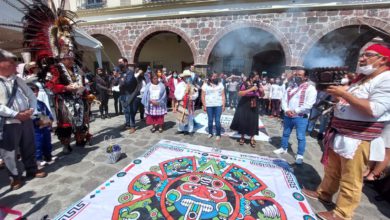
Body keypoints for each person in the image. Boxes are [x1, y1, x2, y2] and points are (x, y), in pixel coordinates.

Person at [302, 44, 390, 220]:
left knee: (351, 178)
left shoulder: (386, 79)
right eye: (362, 54)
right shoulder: (362, 79)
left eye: (369, 55)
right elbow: (347, 101)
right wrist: (337, 95)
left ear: (383, 59)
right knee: (332, 169)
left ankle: (342, 213)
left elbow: (375, 109)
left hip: (358, 137)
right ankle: (324, 193)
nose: (362, 58)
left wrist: (344, 93)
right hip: (341, 132)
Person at [0, 49, 46, 190]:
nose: (15, 65)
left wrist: (31, 110)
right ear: (1, 63)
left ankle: (31, 169)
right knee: (9, 152)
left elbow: (31, 95)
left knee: (28, 145)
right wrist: (15, 114)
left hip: (26, 118)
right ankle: (14, 177)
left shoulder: (17, 79)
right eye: (12, 62)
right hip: (8, 122)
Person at [46, 53, 92, 152]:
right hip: (64, 100)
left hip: (79, 98)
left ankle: (79, 139)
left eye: (72, 59)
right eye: (69, 59)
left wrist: (86, 94)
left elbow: (83, 83)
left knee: (81, 121)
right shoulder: (56, 69)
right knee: (66, 124)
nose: (72, 61)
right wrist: (65, 88)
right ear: (63, 59)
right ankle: (66, 145)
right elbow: (51, 86)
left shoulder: (76, 68)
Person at [273, 68, 317, 164]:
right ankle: (283, 148)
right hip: (288, 115)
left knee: (300, 136)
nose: (296, 76)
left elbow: (309, 104)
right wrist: (287, 109)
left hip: (301, 117)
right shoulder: (291, 87)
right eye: (295, 74)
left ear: (306, 77)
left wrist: (295, 111)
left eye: (299, 75)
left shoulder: (310, 88)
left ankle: (300, 155)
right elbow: (284, 99)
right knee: (285, 133)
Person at [230, 72, 264, 148]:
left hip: (254, 102)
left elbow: (262, 95)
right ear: (252, 77)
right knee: (243, 120)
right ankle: (242, 136)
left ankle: (252, 137)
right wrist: (251, 89)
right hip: (245, 103)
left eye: (258, 77)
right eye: (256, 77)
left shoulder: (258, 84)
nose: (257, 79)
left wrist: (262, 91)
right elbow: (240, 93)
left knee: (253, 120)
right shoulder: (245, 83)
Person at [29, 83, 55, 167]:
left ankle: (48, 156)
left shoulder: (41, 103)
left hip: (45, 125)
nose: (34, 93)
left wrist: (51, 119)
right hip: (36, 128)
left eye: (35, 91)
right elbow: (29, 117)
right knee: (38, 144)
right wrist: (36, 122)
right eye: (32, 91)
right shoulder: (27, 105)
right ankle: (38, 159)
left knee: (47, 141)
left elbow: (47, 112)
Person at [201, 72, 226, 140]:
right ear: (210, 77)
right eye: (213, 76)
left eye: (215, 76)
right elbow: (203, 96)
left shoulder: (220, 84)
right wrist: (204, 105)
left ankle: (218, 134)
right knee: (210, 120)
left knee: (217, 120)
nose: (214, 77)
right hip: (209, 105)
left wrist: (223, 105)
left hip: (218, 105)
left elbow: (223, 95)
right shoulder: (205, 84)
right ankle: (210, 133)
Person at [175, 70, 199, 135]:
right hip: (182, 103)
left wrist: (191, 97)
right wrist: (182, 96)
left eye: (188, 76)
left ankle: (190, 130)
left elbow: (196, 93)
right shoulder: (179, 85)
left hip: (190, 104)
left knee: (190, 117)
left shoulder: (193, 85)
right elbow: (176, 93)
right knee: (181, 116)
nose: (187, 78)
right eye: (186, 77)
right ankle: (180, 129)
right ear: (183, 77)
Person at [118, 58, 138, 133]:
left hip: (129, 94)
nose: (119, 63)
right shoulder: (121, 72)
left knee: (131, 110)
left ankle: (133, 126)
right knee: (125, 111)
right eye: (118, 62)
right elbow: (116, 81)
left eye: (120, 62)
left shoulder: (130, 72)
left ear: (125, 63)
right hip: (122, 94)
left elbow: (128, 82)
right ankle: (127, 124)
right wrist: (118, 78)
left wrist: (122, 80)